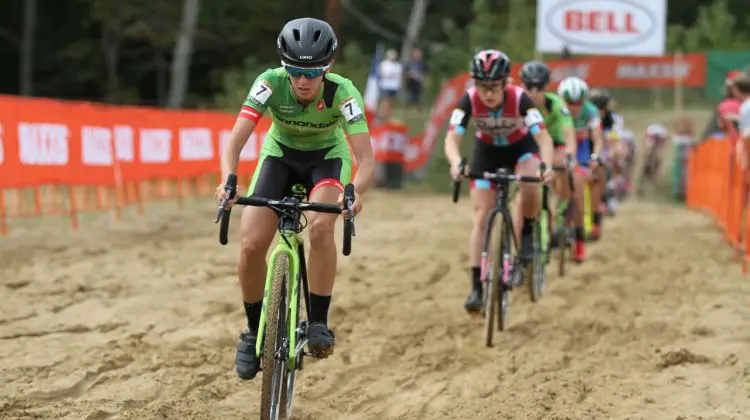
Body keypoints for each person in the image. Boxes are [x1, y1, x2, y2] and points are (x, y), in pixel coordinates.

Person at [215, 17, 375, 381]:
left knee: (321, 226)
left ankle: (318, 321)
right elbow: (236, 140)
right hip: (279, 157)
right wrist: (229, 178)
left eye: (313, 72)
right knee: (251, 245)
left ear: (328, 67)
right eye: (295, 71)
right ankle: (254, 329)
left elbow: (366, 160)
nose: (302, 81)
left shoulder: (343, 92)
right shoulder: (269, 83)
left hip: (327, 159)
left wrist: (355, 192)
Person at [443, 49, 554, 312]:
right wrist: (456, 162)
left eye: (493, 87)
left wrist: (546, 165)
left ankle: (526, 234)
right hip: (487, 152)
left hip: (521, 148)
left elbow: (543, 138)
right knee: (482, 216)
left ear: (506, 83)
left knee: (529, 181)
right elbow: (452, 138)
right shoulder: (468, 100)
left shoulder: (520, 98)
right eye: (482, 87)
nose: (488, 94)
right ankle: (476, 289)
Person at [518, 60, 578, 248]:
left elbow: (569, 135)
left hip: (554, 144)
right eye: (529, 87)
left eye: (539, 87)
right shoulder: (517, 102)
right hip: (528, 145)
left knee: (561, 166)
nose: (534, 93)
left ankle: (560, 209)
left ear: (547, 87)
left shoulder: (556, 104)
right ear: (522, 86)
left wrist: (570, 155)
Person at [557, 77, 603, 261]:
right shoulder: (555, 108)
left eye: (578, 103)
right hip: (559, 147)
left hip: (582, 149)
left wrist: (595, 157)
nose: (574, 107)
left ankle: (579, 237)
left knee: (577, 192)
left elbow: (598, 139)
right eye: (570, 103)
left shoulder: (591, 112)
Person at [377, 49, 403, 122]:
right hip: (385, 85)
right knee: (385, 100)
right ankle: (382, 114)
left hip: (394, 86)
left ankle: (388, 115)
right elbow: (381, 74)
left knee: (391, 101)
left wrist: (399, 85)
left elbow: (399, 77)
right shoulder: (384, 64)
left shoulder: (398, 66)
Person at [404, 48, 428, 115]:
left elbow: (425, 73)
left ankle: (418, 112)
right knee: (408, 98)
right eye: (416, 54)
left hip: (419, 84)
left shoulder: (422, 64)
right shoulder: (409, 63)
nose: (417, 56)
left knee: (419, 98)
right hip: (410, 83)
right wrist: (409, 75)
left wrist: (424, 80)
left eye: (419, 55)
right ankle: (406, 111)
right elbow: (405, 73)